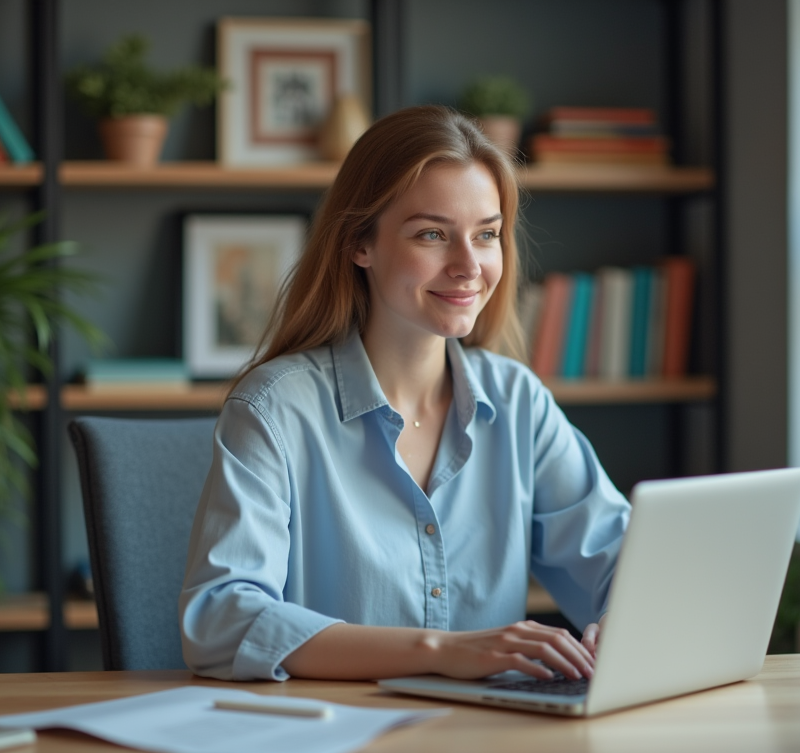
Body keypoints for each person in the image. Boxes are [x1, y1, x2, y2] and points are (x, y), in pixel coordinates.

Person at [179, 105, 630, 683]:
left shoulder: (518, 400)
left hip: (491, 748)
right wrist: (441, 653)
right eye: (433, 234)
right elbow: (221, 620)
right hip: (332, 746)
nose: (470, 266)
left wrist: (624, 617)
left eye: (487, 235)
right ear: (359, 244)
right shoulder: (272, 411)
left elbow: (621, 558)